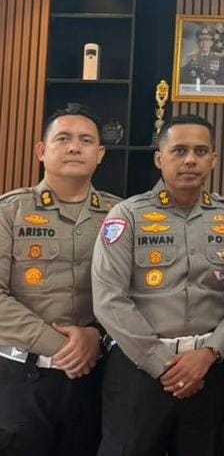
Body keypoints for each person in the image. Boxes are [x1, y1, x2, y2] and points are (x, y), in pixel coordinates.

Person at [91, 114, 224, 456]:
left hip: (207, 371)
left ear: (214, 159)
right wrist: (162, 364)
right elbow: (110, 300)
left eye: (201, 151)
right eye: (179, 150)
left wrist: (209, 353)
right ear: (159, 158)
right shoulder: (127, 215)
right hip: (139, 371)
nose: (190, 160)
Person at [0, 103, 119, 456]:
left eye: (86, 140)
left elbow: (135, 294)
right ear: (42, 150)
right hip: (21, 381)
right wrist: (64, 347)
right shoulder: (10, 211)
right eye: (63, 138)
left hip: (96, 379)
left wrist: (96, 336)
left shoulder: (121, 214)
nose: (74, 147)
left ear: (100, 154)